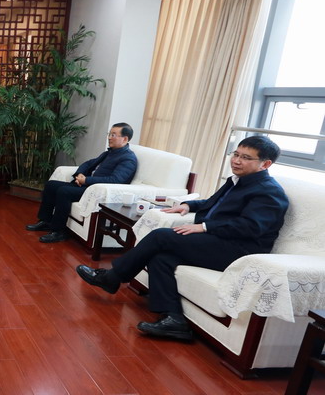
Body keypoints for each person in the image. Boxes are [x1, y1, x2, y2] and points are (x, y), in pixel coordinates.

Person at [76, 135, 289, 340]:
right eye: (236, 154)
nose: (236, 161)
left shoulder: (269, 192)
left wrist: (204, 227)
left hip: (238, 251)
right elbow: (213, 203)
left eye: (246, 157)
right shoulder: (238, 181)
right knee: (161, 258)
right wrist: (188, 205)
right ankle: (174, 320)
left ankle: (112, 277)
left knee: (161, 236)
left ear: (265, 164)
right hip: (219, 241)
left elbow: (250, 227)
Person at [27, 123, 138, 243]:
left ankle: (59, 231)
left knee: (64, 191)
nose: (109, 138)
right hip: (86, 185)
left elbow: (115, 180)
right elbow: (88, 163)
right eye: (109, 134)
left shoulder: (128, 159)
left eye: (113, 135)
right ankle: (46, 221)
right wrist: (79, 174)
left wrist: (86, 180)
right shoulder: (109, 153)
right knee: (51, 185)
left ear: (125, 139)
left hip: (95, 191)